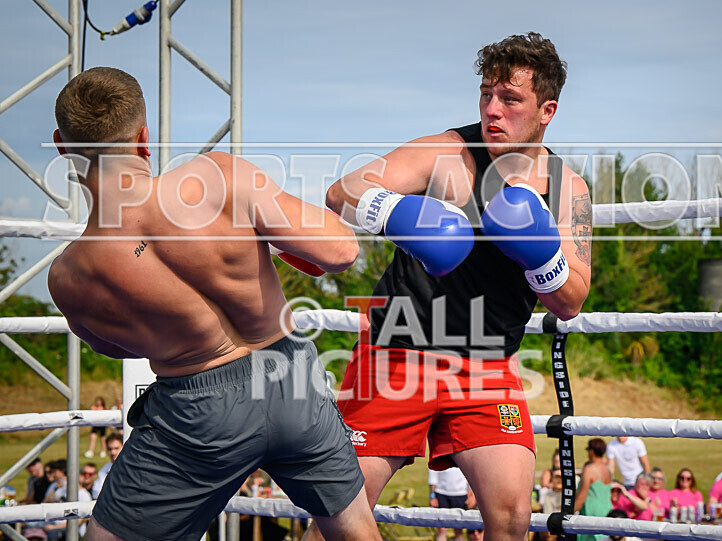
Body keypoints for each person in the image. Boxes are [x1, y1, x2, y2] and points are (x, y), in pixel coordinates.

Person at [48, 67, 379, 541]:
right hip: (291, 379)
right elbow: (341, 250)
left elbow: (118, 349)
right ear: (145, 137)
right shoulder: (217, 177)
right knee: (354, 531)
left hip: (195, 407)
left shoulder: (69, 275)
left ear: (62, 146)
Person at [310, 32, 592, 541]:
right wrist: (398, 212)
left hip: (485, 365)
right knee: (341, 510)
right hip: (397, 353)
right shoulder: (446, 152)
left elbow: (570, 301)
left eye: (510, 99)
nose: (493, 110)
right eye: (486, 95)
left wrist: (541, 252)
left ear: (547, 109)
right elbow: (342, 191)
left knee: (511, 519)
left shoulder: (568, 187)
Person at [575, 439, 612, 541]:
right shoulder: (608, 469)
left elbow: (582, 498)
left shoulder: (589, 469)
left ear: (592, 451)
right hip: (607, 511)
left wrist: (566, 512)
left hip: (591, 513)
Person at [429, 467, 476, 541]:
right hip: (441, 494)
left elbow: (469, 472)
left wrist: (471, 494)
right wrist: (432, 496)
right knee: (441, 529)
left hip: (460, 494)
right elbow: (433, 473)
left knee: (458, 529)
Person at [92, 432, 123, 497]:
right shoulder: (105, 468)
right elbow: (96, 491)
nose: (113, 452)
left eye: (116, 448)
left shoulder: (132, 466)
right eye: (110, 449)